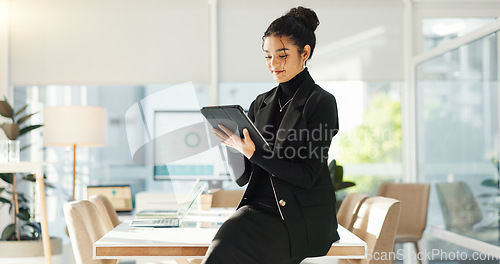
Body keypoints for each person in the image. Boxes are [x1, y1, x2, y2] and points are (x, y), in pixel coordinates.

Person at [202, 6, 340, 264]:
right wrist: (231, 146)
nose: (273, 64)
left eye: (282, 55)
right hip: (255, 209)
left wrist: (254, 152)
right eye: (267, 57)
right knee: (219, 251)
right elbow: (243, 177)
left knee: (225, 254)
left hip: (297, 218)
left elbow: (307, 175)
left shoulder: (321, 102)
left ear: (305, 53)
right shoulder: (260, 103)